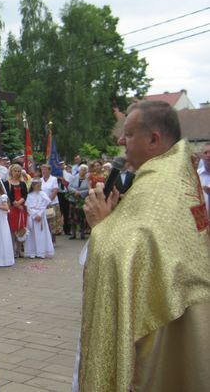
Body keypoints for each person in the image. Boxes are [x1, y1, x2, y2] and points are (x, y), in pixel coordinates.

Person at [75, 100, 210, 392]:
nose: (121, 141)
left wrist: (101, 226)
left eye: (129, 134)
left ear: (154, 139)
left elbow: (124, 255)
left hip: (157, 334)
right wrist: (116, 220)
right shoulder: (176, 175)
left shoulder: (159, 185)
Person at [24, 178, 55, 259]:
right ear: (33, 186)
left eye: (40, 185)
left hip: (41, 216)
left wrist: (40, 214)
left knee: (41, 234)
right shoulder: (29, 195)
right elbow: (28, 207)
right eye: (38, 185)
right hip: (33, 217)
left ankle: (41, 251)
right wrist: (34, 215)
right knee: (33, 234)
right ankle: (33, 252)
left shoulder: (42, 194)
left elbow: (45, 205)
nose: (39, 187)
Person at [4, 164, 28, 258]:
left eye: (19, 171)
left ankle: (19, 249)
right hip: (12, 208)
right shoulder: (7, 183)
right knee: (13, 229)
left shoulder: (22, 183)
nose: (17, 173)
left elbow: (25, 194)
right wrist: (16, 204)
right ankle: (12, 250)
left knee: (21, 229)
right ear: (11, 172)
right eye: (15, 171)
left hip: (21, 208)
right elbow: (8, 195)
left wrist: (20, 202)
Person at [68, 165, 89, 240]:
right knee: (73, 217)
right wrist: (75, 191)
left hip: (82, 200)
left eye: (85, 170)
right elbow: (69, 187)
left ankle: (82, 233)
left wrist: (80, 193)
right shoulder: (74, 177)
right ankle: (73, 234)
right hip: (73, 199)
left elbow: (88, 189)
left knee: (82, 217)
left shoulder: (88, 179)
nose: (83, 171)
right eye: (82, 170)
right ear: (79, 170)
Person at [198, 142, 210, 216]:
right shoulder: (196, 176)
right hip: (202, 221)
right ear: (201, 156)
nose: (208, 155)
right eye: (205, 153)